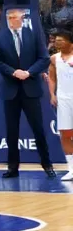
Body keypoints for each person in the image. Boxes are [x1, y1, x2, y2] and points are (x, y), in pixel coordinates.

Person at [0, 8, 57, 178]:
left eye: (15, 17)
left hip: (31, 87)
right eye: (9, 18)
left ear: (22, 18)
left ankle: (47, 164)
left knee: (38, 129)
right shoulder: (0, 37)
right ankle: (12, 167)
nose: (11, 20)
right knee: (11, 131)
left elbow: (43, 58)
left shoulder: (33, 34)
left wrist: (28, 72)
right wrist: (14, 72)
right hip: (10, 89)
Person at [47, 28, 73, 181]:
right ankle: (71, 169)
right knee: (65, 134)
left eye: (61, 40)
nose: (57, 42)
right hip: (63, 99)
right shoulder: (54, 58)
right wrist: (52, 94)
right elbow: (52, 78)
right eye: (56, 40)